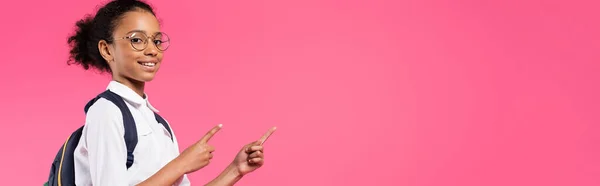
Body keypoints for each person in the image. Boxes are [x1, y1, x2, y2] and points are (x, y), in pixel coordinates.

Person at [67, 0, 276, 185]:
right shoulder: (106, 112)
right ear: (106, 49)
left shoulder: (158, 124)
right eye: (137, 40)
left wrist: (235, 170)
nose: (152, 50)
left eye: (156, 40)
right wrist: (181, 164)